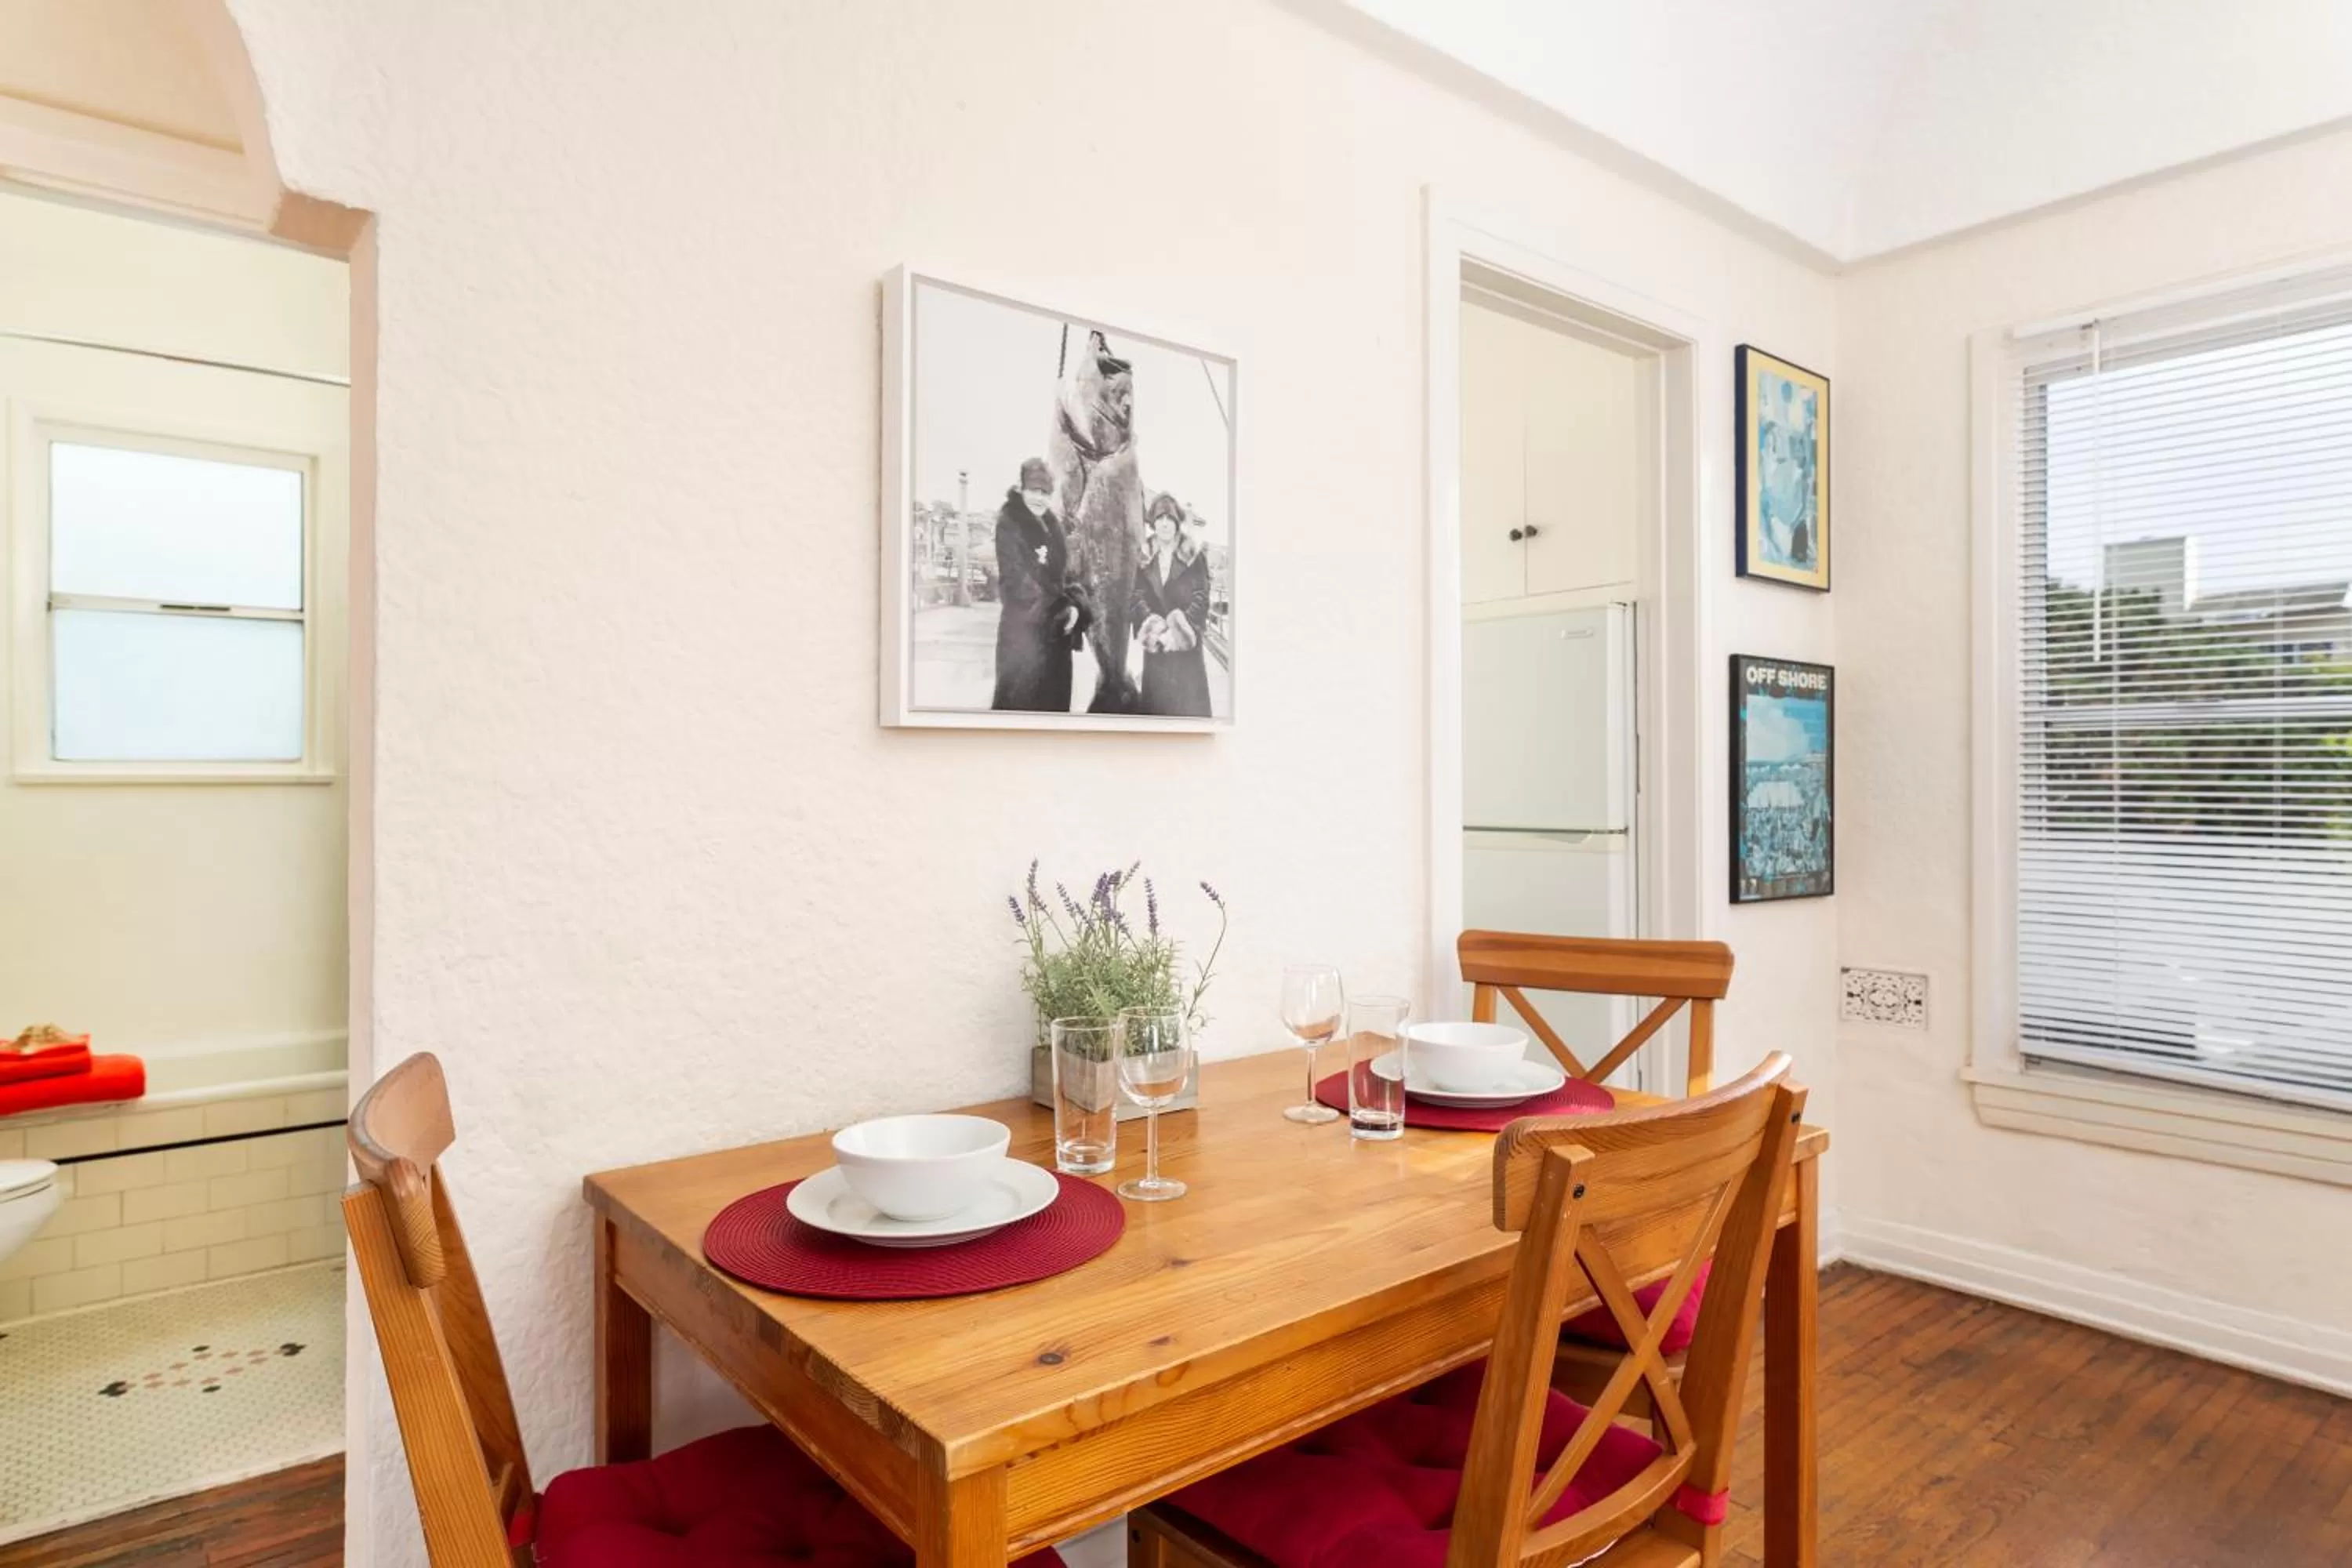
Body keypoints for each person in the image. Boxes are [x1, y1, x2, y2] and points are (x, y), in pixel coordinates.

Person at [991, 457, 1091, 712]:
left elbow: (1066, 575)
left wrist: (1077, 605)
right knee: (1018, 711)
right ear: (1021, 488)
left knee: (1051, 716)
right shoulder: (1010, 522)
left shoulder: (1052, 525)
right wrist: (1060, 612)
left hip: (1055, 641)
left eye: (1045, 493)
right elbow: (1017, 582)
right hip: (1023, 638)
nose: (1040, 498)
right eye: (1034, 491)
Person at [1130, 492, 1213, 718]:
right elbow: (1135, 595)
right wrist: (1155, 630)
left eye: (1170, 519)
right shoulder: (1143, 556)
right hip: (1157, 649)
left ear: (1177, 523)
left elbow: (1202, 596)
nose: (1165, 524)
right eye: (1160, 519)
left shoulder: (1193, 555)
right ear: (1153, 523)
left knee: (1188, 714)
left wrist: (1178, 633)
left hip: (1186, 650)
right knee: (1157, 715)